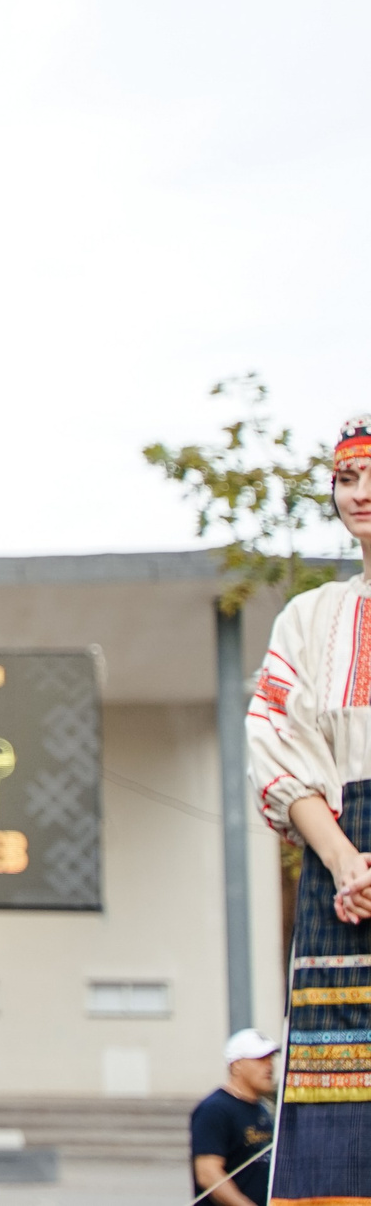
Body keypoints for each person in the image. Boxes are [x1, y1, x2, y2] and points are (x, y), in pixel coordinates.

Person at [246, 410, 371, 1200]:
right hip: (344, 859)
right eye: (348, 477)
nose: (360, 492)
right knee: (340, 1089)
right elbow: (278, 743)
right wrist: (345, 861)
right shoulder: (311, 615)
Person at [190, 1030, 279, 1206]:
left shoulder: (261, 1109)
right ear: (236, 1065)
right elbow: (208, 1174)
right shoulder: (215, 1109)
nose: (269, 1066)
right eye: (260, 1059)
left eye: (271, 1058)